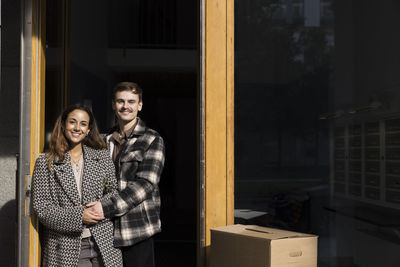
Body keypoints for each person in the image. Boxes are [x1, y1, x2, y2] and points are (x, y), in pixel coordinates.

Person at [32, 104, 123, 267]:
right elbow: (42, 208)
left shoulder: (101, 157)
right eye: (72, 122)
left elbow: (114, 192)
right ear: (63, 125)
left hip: (104, 242)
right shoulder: (45, 162)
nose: (77, 128)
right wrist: (79, 216)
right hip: (65, 245)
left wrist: (100, 207)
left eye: (83, 124)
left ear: (88, 130)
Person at [86, 82, 165, 267]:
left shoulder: (152, 139)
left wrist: (105, 208)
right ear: (113, 104)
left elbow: (145, 184)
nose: (125, 106)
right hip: (104, 229)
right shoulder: (103, 140)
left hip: (136, 230)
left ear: (140, 105)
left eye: (131, 101)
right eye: (120, 101)